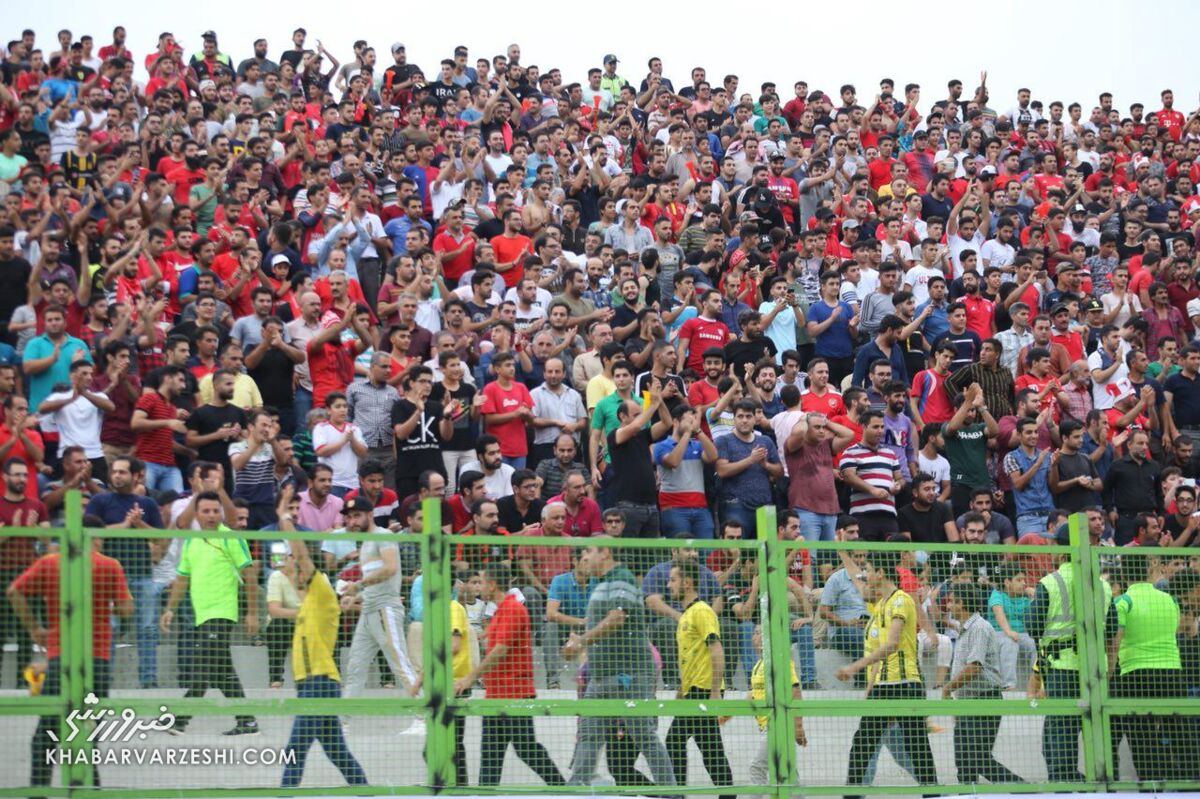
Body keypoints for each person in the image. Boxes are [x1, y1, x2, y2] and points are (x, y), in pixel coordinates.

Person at [9, 513, 131, 790]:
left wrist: (34, 628)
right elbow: (126, 610)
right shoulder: (110, 565)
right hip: (96, 659)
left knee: (46, 734)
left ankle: (38, 792)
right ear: (95, 537)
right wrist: (112, 605)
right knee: (87, 735)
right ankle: (87, 793)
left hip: (60, 659)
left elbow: (14, 592)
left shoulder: (51, 563)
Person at [275, 486, 368, 788]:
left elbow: (301, 553)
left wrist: (284, 517)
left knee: (295, 750)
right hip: (312, 684)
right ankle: (366, 791)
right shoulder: (308, 602)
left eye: (293, 562)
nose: (289, 565)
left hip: (319, 682)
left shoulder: (321, 591)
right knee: (337, 752)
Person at [563, 541, 676, 788]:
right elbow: (603, 625)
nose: (584, 557)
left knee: (644, 736)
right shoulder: (601, 584)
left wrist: (581, 641)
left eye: (589, 551)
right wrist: (579, 645)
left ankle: (671, 792)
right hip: (601, 676)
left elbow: (616, 618)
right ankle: (577, 786)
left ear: (605, 553)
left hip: (629, 676)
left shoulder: (621, 578)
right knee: (588, 734)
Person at [835, 550, 938, 796]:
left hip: (905, 684)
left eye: (869, 570)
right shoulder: (879, 604)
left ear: (880, 573)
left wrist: (854, 667)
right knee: (862, 744)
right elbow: (856, 580)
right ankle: (851, 795)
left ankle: (933, 793)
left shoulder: (901, 600)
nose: (865, 575)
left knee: (917, 746)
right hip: (882, 687)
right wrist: (842, 552)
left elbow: (891, 645)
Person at [454, 561, 565, 787]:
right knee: (491, 754)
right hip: (497, 695)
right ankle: (485, 793)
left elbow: (500, 650)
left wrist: (470, 678)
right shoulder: (500, 611)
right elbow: (492, 645)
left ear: (492, 585)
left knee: (525, 749)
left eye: (482, 582)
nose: (479, 587)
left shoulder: (513, 609)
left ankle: (563, 788)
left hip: (514, 694)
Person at [160, 488, 259, 736]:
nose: (212, 515)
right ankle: (247, 721)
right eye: (206, 511)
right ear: (197, 514)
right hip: (201, 616)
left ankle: (179, 719)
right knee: (220, 670)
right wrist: (170, 610)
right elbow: (182, 579)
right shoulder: (191, 542)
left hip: (223, 613)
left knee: (203, 667)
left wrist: (252, 613)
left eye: (216, 511)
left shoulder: (231, 538)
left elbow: (249, 574)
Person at [1026, 515, 1112, 782]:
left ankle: (1064, 787)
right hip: (1096, 670)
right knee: (1096, 732)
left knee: (1060, 734)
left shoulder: (1051, 582)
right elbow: (1111, 629)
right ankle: (1101, 785)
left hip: (1062, 668)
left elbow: (1033, 626)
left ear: (1063, 551)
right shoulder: (1103, 584)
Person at [1106, 553, 1190, 782]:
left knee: (1142, 734)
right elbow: (1175, 631)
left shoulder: (1122, 602)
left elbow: (1114, 643)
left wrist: (1109, 674)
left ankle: (1151, 784)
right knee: (1180, 730)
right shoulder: (1170, 600)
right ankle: (1190, 782)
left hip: (1136, 674)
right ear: (1148, 570)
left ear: (1123, 574)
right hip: (1172, 671)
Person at [663, 556, 734, 799]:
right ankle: (725, 795)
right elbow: (690, 657)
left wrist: (715, 693)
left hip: (704, 690)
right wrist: (681, 692)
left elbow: (716, 649)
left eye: (673, 580)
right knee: (710, 749)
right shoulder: (686, 615)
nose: (669, 585)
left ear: (687, 582)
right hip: (693, 691)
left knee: (676, 742)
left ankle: (678, 795)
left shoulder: (702, 611)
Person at [340, 496, 420, 703]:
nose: (352, 521)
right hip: (369, 610)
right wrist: (355, 597)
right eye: (349, 517)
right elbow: (375, 582)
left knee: (400, 664)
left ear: (370, 515)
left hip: (385, 609)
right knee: (355, 667)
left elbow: (390, 568)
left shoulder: (383, 535)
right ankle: (345, 717)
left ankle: (424, 713)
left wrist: (358, 586)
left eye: (357, 516)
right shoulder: (366, 543)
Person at [942, 581, 1023, 784]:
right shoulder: (966, 629)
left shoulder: (979, 628)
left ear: (962, 603)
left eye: (951, 601)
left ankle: (1023, 790)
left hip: (983, 701)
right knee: (964, 764)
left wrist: (947, 689)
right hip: (968, 703)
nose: (948, 606)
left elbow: (974, 667)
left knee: (978, 760)